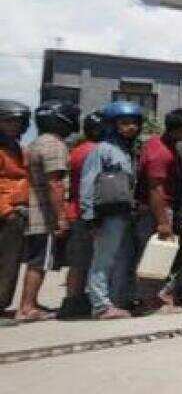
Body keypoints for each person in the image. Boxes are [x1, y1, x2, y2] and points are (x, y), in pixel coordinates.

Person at [12, 100, 78, 322]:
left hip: (32, 210)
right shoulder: (54, 146)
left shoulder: (36, 143)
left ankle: (29, 303)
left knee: (37, 259)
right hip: (44, 215)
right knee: (40, 261)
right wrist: (60, 217)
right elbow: (55, 184)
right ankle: (27, 307)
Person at [79, 101, 145, 319]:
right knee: (103, 260)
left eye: (134, 123)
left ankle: (117, 300)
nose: (131, 128)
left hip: (124, 214)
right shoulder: (102, 150)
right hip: (106, 215)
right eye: (125, 123)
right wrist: (90, 216)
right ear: (112, 125)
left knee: (122, 258)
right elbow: (88, 183)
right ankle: (100, 305)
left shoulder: (127, 152)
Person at [133, 107, 182, 314]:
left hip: (158, 208)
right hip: (157, 210)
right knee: (156, 256)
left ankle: (157, 298)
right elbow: (156, 189)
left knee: (161, 255)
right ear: (179, 129)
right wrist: (163, 222)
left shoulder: (158, 144)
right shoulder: (161, 153)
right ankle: (152, 301)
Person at [58, 111, 101, 319]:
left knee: (78, 262)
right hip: (86, 213)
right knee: (86, 261)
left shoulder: (76, 150)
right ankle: (75, 302)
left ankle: (72, 299)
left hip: (75, 210)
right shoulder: (94, 151)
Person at [0, 101, 32, 324]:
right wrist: (6, 210)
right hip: (6, 213)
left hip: (17, 213)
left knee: (10, 263)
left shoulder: (17, 148)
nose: (14, 125)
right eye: (8, 121)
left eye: (18, 121)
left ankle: (2, 305)